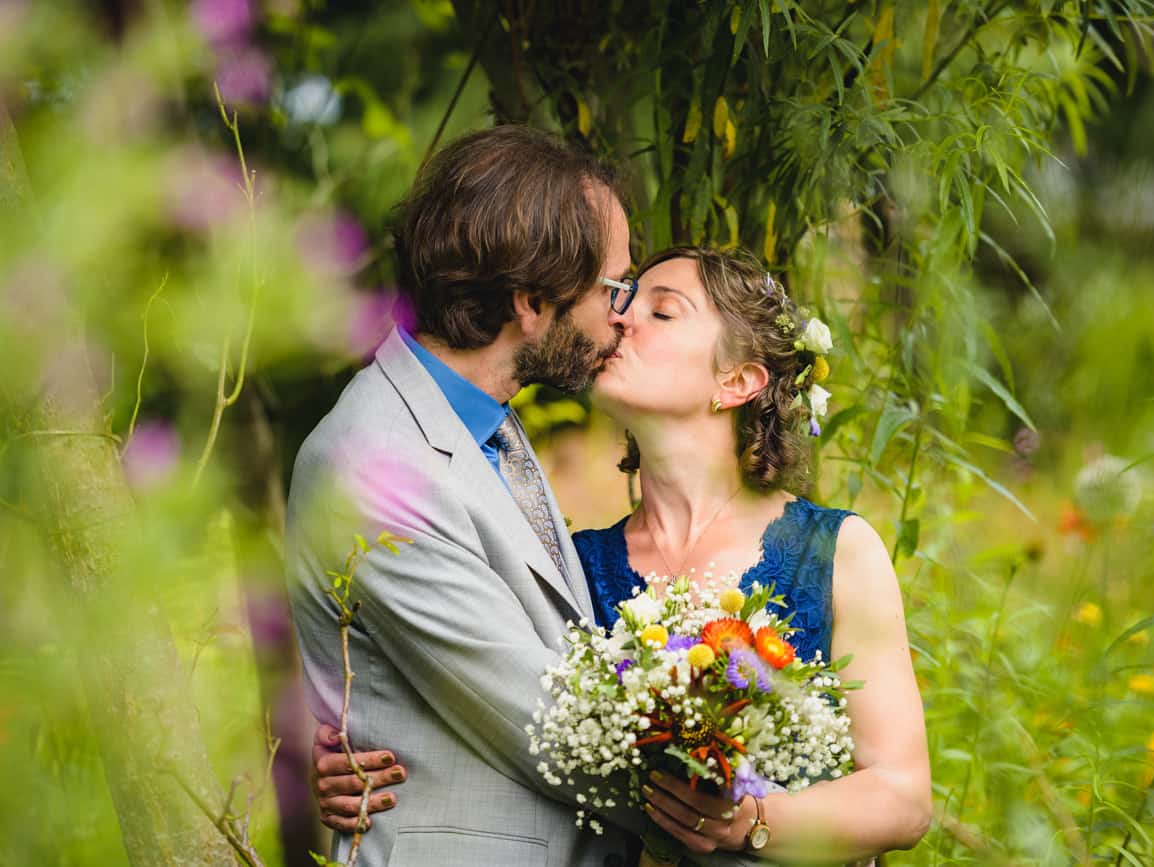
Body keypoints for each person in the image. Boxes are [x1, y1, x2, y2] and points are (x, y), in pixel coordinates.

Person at [314, 246, 932, 865]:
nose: (622, 320)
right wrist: (366, 754)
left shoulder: (837, 553)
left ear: (738, 380)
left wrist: (752, 822)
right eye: (626, 300)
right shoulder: (571, 565)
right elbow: (499, 705)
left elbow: (903, 798)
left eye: (663, 313)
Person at [286, 124, 654, 867]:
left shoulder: (485, 422)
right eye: (614, 287)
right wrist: (780, 818)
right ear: (528, 301)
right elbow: (553, 727)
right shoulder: (375, 465)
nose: (625, 312)